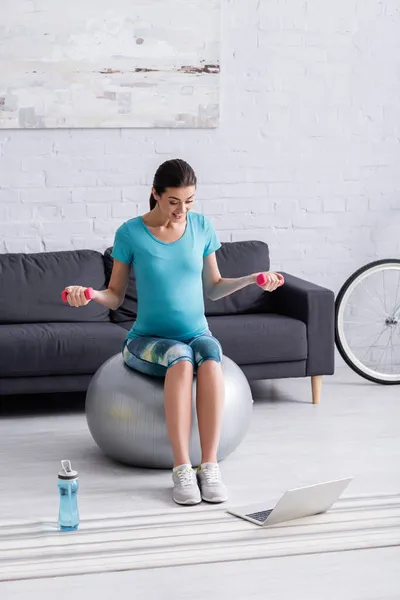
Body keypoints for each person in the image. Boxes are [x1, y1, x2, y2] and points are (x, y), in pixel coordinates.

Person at [64, 159, 282, 506]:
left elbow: (214, 287)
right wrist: (89, 294)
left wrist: (253, 279)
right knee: (180, 360)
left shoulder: (201, 227)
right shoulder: (130, 233)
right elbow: (115, 295)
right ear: (155, 194)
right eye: (174, 201)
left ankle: (208, 466)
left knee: (211, 358)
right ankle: (182, 468)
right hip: (147, 340)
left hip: (196, 332)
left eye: (190, 201)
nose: (183, 210)